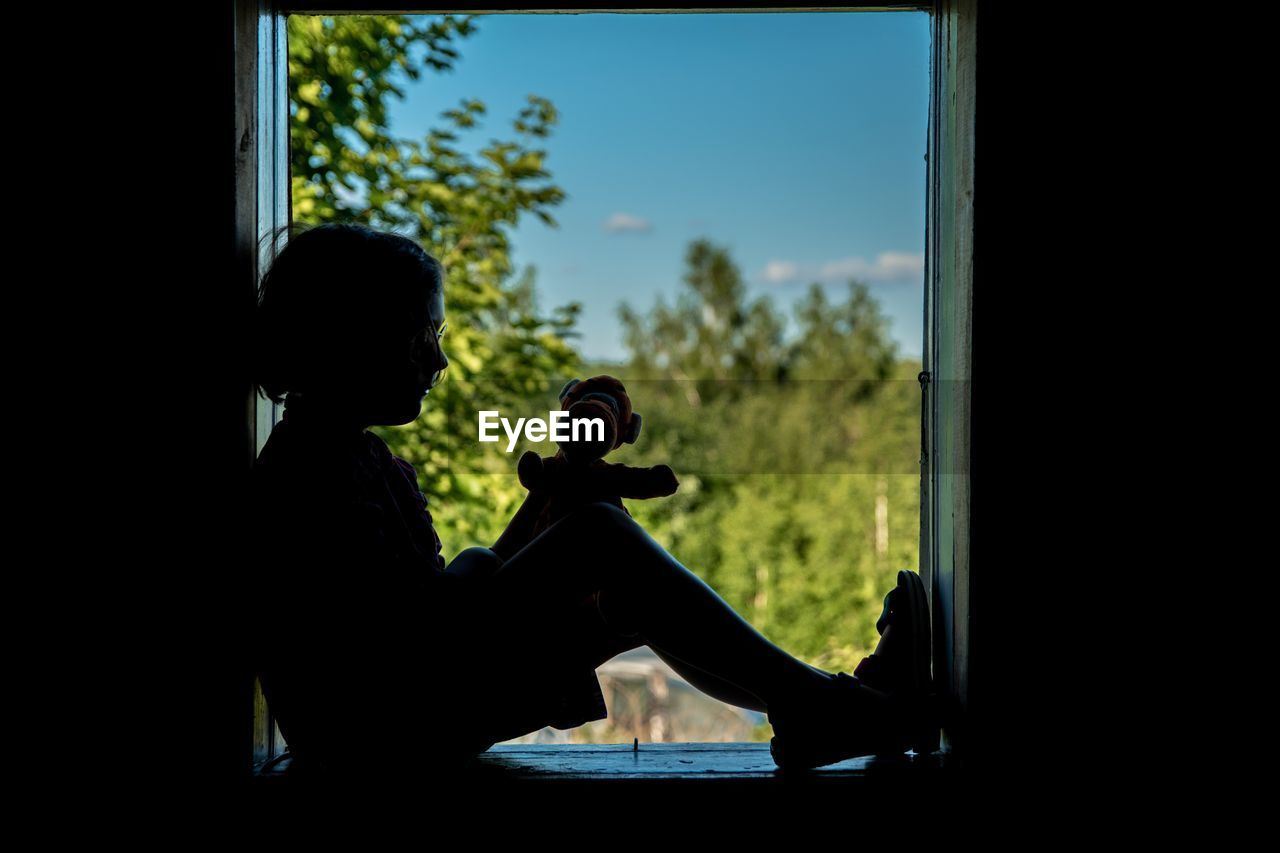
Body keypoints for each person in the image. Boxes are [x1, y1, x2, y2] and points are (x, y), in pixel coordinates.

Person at [249, 222, 937, 779]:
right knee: (601, 536)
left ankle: (823, 705)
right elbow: (416, 631)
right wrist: (484, 561)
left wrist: (549, 505)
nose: (438, 361)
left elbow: (435, 619)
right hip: (382, 734)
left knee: (612, 568)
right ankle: (830, 705)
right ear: (354, 337)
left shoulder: (345, 456)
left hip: (401, 716)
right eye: (423, 336)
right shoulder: (312, 472)